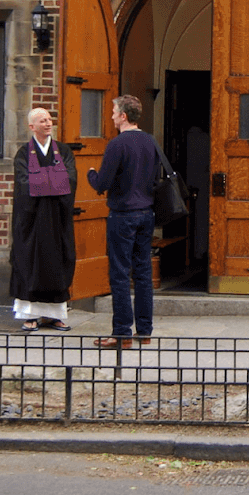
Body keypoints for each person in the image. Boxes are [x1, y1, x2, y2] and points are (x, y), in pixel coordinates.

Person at [86, 94, 159, 347]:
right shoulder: (150, 141)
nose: (112, 115)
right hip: (147, 213)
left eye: (114, 111)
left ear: (124, 116)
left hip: (123, 214)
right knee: (143, 274)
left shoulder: (118, 144)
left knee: (119, 274)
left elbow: (103, 183)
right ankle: (145, 330)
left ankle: (121, 333)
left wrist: (91, 174)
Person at [10, 107, 77, 332]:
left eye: (49, 119)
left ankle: (55, 315)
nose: (48, 124)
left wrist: (42, 179)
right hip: (31, 220)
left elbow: (68, 180)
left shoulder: (64, 151)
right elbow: (24, 183)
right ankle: (30, 316)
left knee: (57, 263)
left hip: (57, 218)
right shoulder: (22, 154)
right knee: (29, 262)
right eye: (42, 121)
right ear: (32, 126)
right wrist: (52, 179)